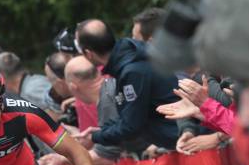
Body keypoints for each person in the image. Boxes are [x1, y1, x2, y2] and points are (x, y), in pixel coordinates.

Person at [77, 19, 179, 150]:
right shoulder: (128, 61)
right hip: (179, 137)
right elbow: (130, 115)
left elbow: (132, 125)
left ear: (89, 54)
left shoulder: (132, 71)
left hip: (185, 140)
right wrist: (99, 132)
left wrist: (95, 137)